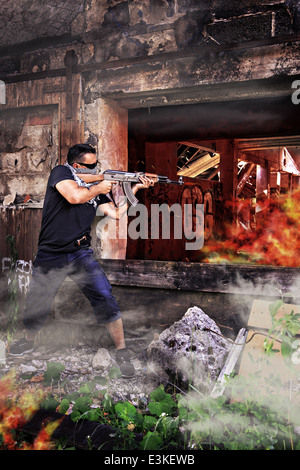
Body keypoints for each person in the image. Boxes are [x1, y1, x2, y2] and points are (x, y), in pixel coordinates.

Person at [9, 143, 152, 378]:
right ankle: (28, 341)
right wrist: (99, 186)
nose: (97, 169)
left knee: (104, 296)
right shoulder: (61, 173)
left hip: (80, 252)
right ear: (76, 166)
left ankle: (122, 351)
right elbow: (75, 196)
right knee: (38, 302)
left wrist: (133, 189)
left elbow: (116, 214)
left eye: (97, 165)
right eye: (91, 166)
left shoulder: (98, 187)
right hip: (51, 253)